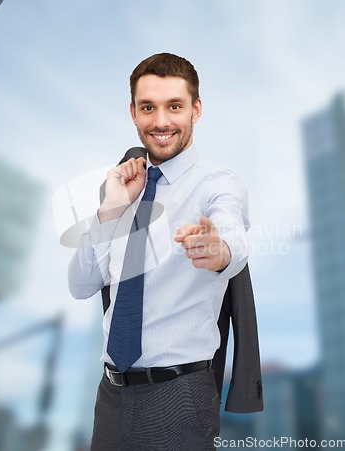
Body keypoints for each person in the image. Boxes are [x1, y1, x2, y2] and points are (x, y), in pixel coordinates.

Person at [68, 53, 250, 450]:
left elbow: (233, 238)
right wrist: (109, 211)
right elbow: (80, 284)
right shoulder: (122, 186)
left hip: (180, 396)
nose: (162, 121)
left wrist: (218, 249)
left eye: (175, 106)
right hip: (111, 393)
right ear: (133, 112)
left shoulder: (217, 184)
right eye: (149, 107)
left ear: (195, 110)